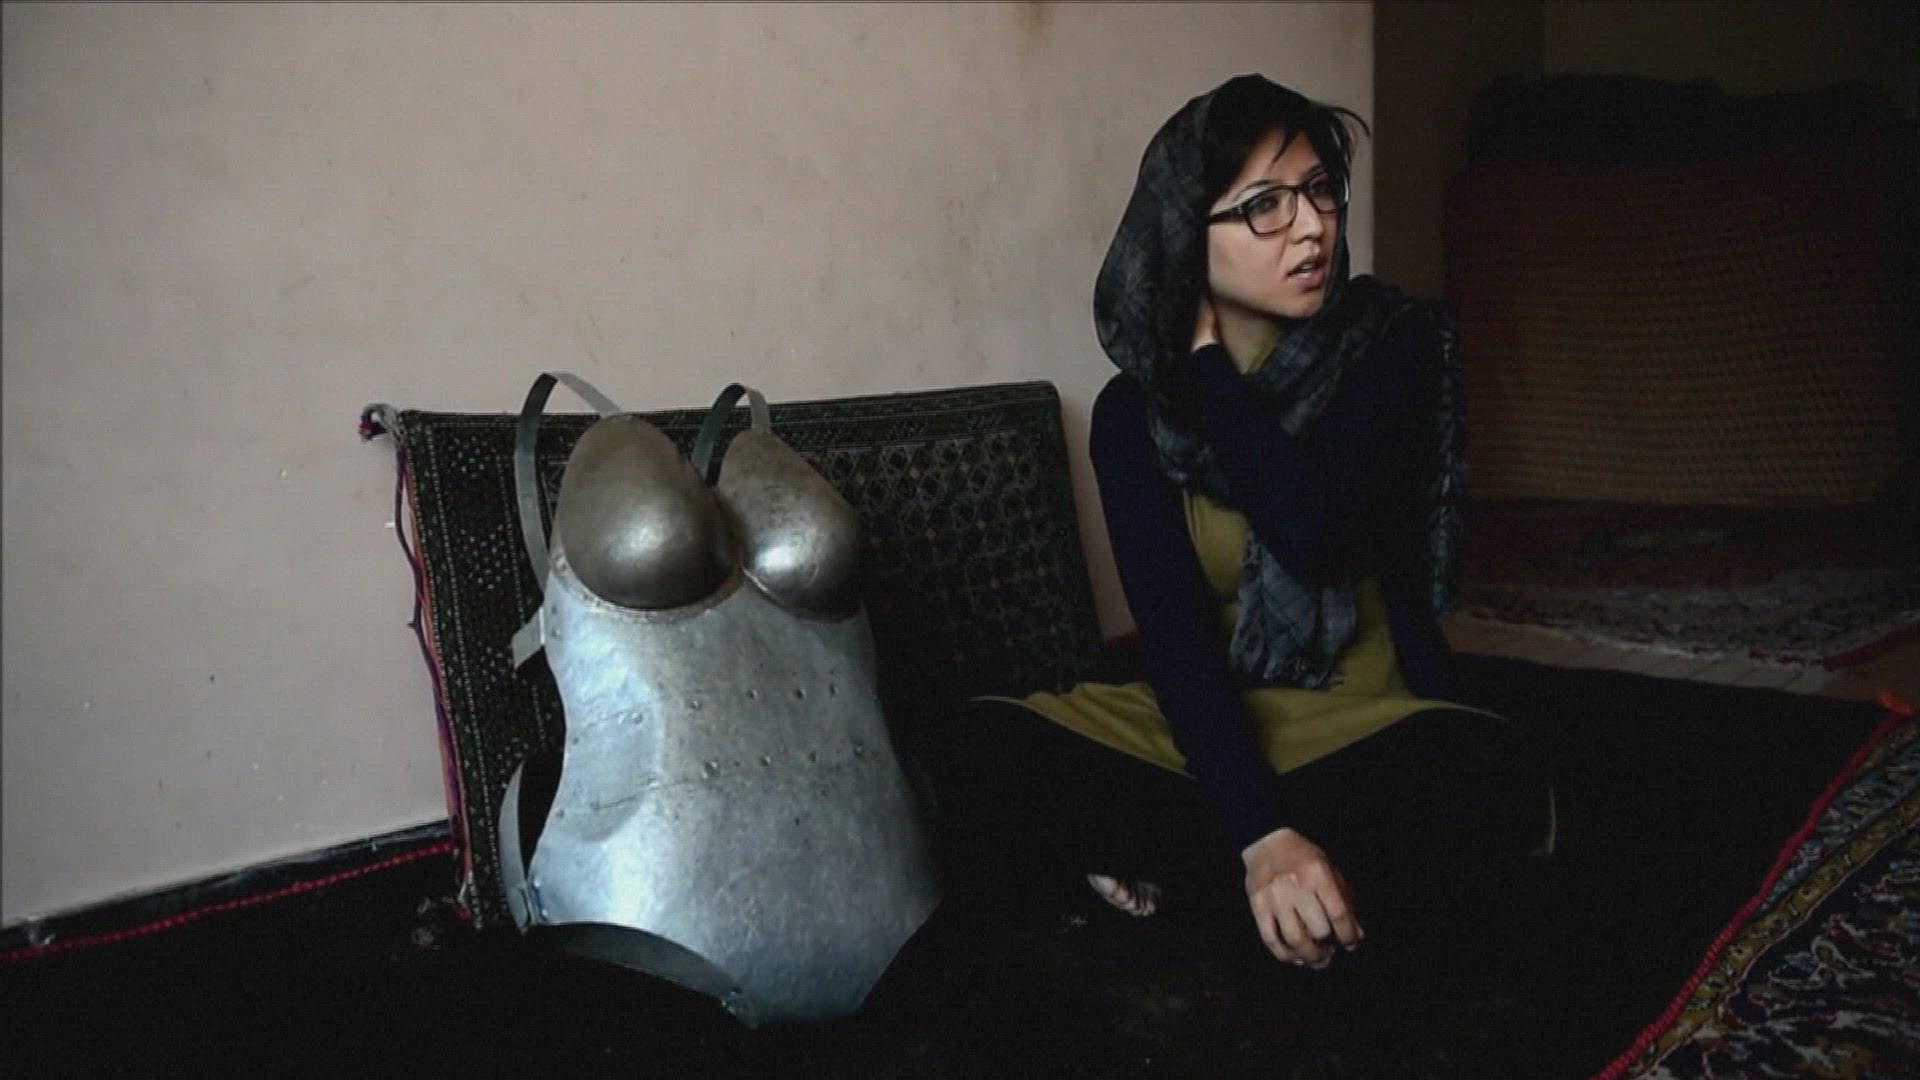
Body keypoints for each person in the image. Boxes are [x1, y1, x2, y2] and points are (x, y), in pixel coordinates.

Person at [926, 74, 1551, 971]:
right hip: (1213, 724)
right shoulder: (1134, 416)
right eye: (1264, 206)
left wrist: (1212, 370)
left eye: (1319, 191)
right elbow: (1175, 639)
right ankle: (1282, 881)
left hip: (1363, 721)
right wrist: (1260, 831)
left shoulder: (1389, 347)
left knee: (1476, 780)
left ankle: (1184, 872)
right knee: (977, 747)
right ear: (1189, 234)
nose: (1312, 227)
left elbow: (1310, 529)